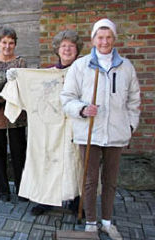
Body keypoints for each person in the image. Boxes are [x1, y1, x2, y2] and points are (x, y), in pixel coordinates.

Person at [60, 19, 140, 239]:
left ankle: (107, 221)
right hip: (89, 132)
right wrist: (83, 109)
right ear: (93, 39)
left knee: (110, 181)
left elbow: (134, 101)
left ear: (114, 39)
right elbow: (66, 98)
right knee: (89, 180)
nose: (104, 41)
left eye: (108, 37)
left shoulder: (126, 67)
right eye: (100, 37)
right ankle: (91, 223)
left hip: (116, 133)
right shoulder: (81, 65)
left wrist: (130, 125)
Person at [30, 30, 84, 216]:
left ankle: (76, 201)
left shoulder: (84, 72)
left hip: (76, 125)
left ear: (77, 50)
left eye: (71, 46)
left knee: (75, 162)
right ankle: (45, 200)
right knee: (49, 160)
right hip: (52, 126)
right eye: (63, 46)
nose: (67, 49)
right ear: (57, 50)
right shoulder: (49, 74)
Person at [0, 27, 27, 202]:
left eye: (11, 43)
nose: (7, 46)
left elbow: (22, 88)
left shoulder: (21, 63)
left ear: (15, 44)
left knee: (19, 152)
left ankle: (22, 187)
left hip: (16, 115)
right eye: (4, 43)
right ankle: (2, 189)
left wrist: (0, 100)